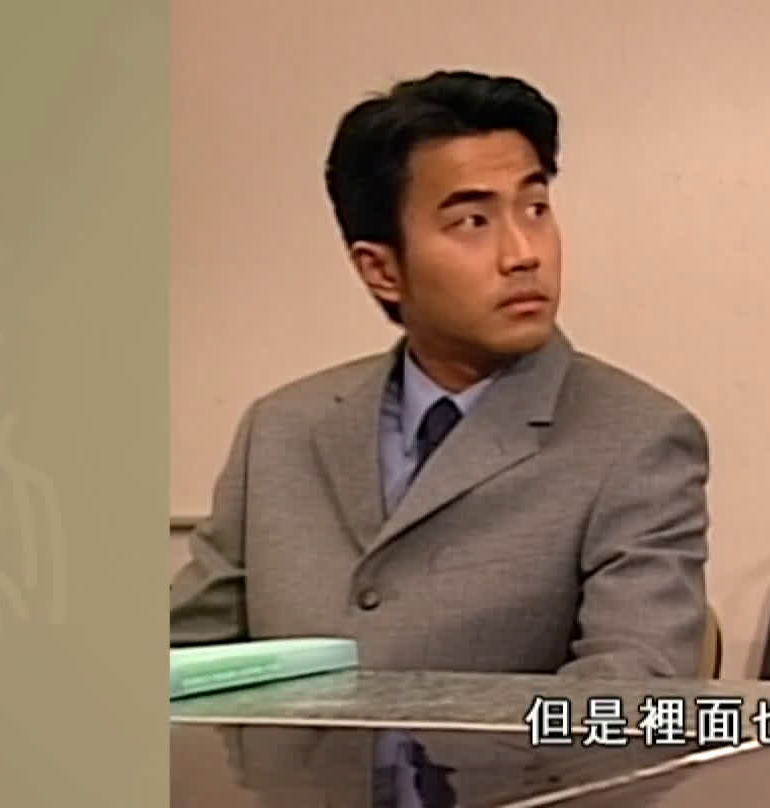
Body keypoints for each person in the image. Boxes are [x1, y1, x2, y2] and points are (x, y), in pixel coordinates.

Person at [169, 71, 710, 677]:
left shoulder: (637, 439)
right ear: (380, 269)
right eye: (473, 222)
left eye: (535, 209)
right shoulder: (281, 429)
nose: (524, 254)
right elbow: (182, 657)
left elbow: (629, 688)